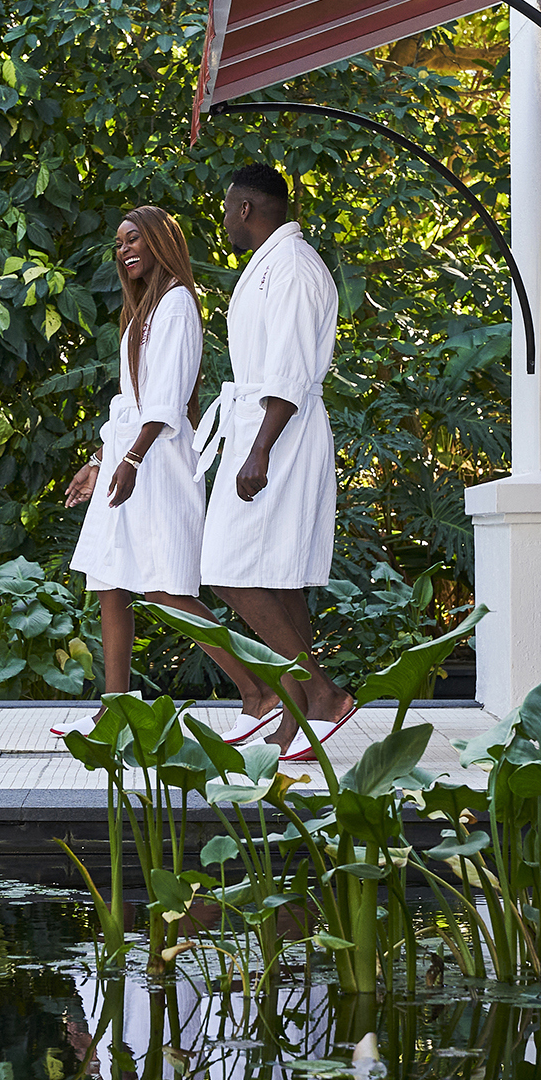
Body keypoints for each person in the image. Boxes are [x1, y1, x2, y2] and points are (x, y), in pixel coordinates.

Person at [62, 205, 269, 734]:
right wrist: (100, 460)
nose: (124, 250)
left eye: (133, 239)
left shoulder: (176, 304)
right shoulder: (144, 311)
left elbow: (166, 400)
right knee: (110, 581)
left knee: (165, 589)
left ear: (159, 241)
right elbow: (130, 402)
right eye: (119, 244)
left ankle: (258, 690)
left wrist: (131, 458)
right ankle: (115, 711)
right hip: (131, 457)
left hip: (156, 463)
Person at [195, 165, 353, 758]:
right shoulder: (275, 263)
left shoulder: (291, 267)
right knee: (277, 573)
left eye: (226, 209)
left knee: (229, 567)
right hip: (262, 427)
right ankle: (301, 709)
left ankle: (322, 695)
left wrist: (259, 449)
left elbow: (288, 367)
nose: (224, 221)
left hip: (279, 433)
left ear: (245, 208)